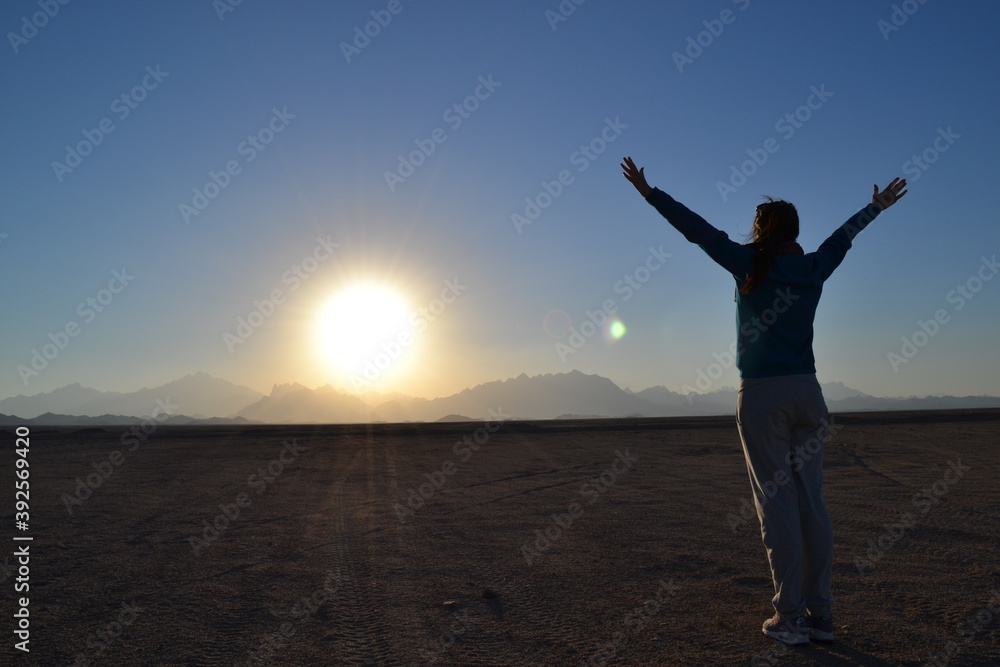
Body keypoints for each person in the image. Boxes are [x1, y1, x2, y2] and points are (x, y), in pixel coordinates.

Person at [621, 156, 907, 645]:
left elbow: (698, 231)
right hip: (807, 393)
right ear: (794, 231)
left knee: (778, 505)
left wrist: (651, 194)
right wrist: (875, 206)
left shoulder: (750, 264)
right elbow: (843, 237)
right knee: (811, 502)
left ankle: (789, 616)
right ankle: (822, 615)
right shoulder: (814, 266)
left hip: (762, 395)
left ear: (762, 229)